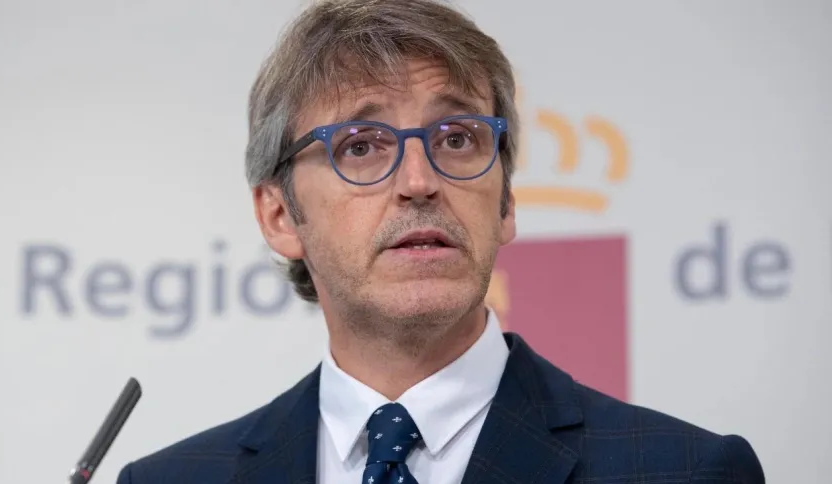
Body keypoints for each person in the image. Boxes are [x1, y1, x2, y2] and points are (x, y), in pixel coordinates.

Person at [116, 0, 765, 483]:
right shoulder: (169, 480)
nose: (419, 181)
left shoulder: (686, 470)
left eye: (456, 139)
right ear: (281, 214)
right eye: (361, 146)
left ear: (506, 201)